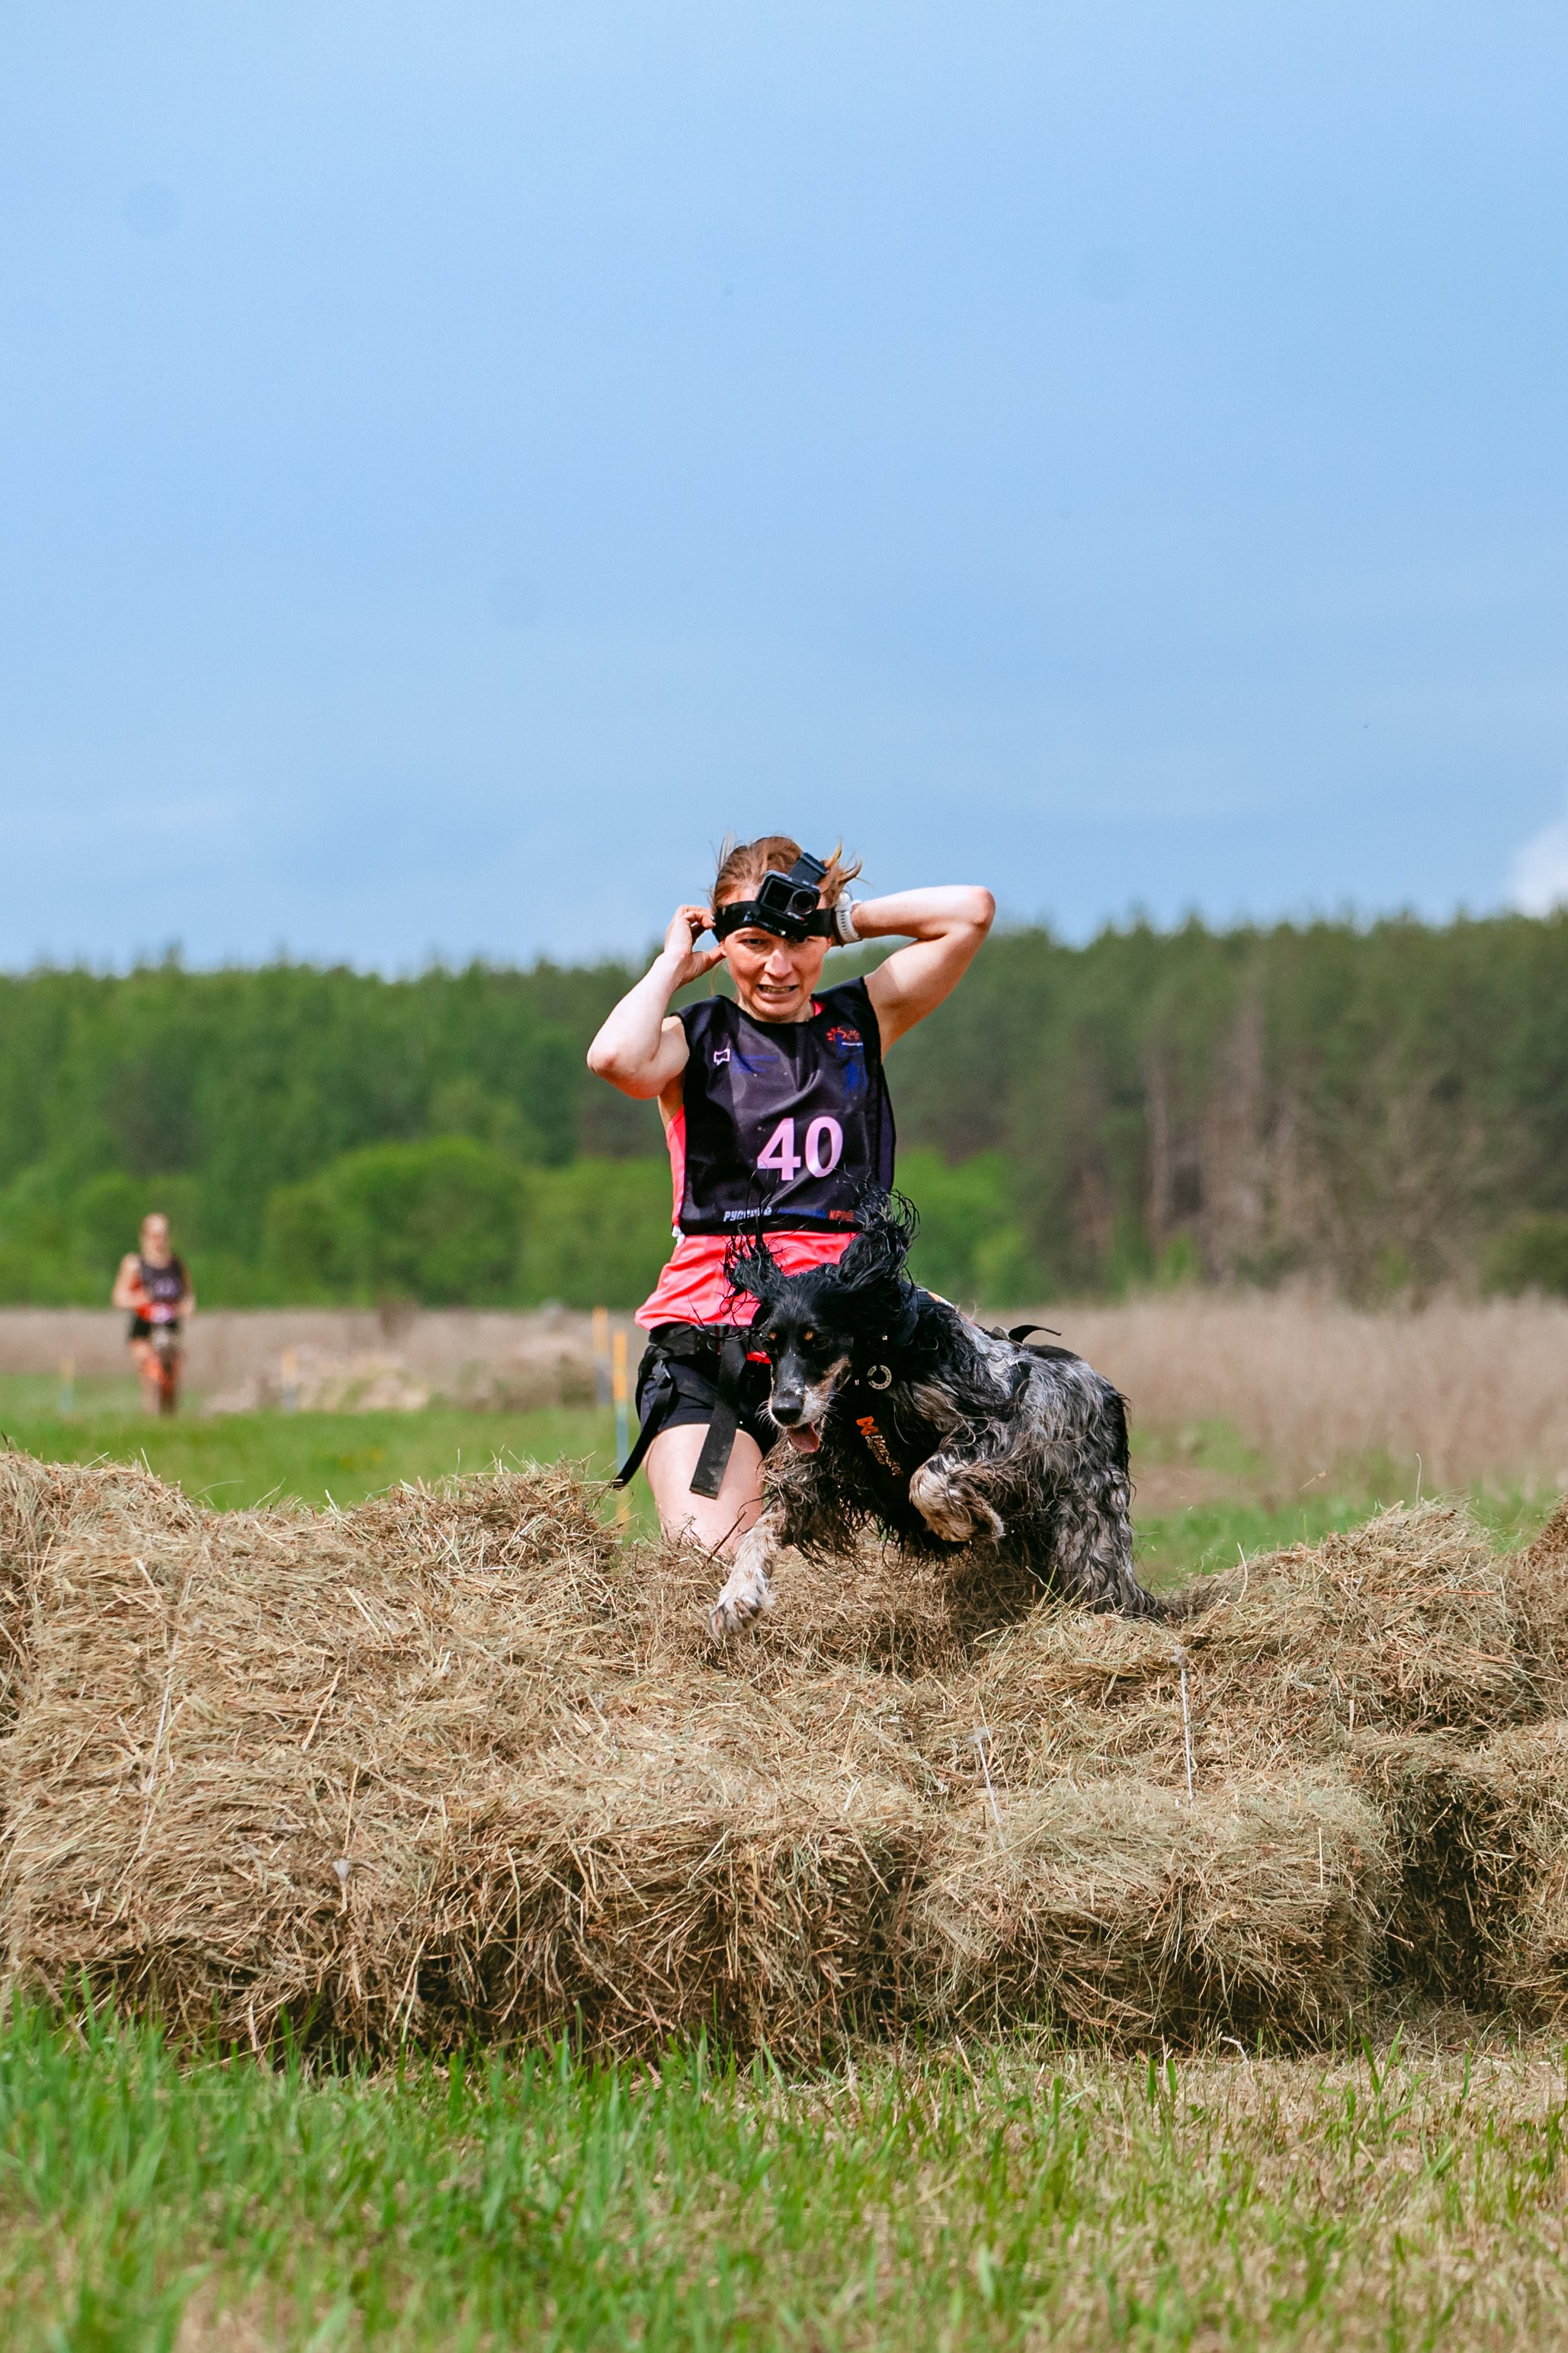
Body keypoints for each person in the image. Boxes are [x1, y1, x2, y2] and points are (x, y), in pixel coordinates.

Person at [586, 835, 994, 1555]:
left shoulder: (861, 1021)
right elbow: (615, 1059)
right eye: (753, 941)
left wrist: (838, 920)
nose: (778, 966)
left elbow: (969, 912)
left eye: (798, 941)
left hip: (850, 1346)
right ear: (721, 939)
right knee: (709, 1560)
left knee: (922, 1553)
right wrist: (670, 967)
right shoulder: (692, 1037)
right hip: (713, 1352)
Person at [111, 1212, 195, 1415]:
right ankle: (150, 1411)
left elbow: (189, 1295)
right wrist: (139, 1299)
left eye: (164, 1235)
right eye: (155, 1235)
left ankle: (168, 1417)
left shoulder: (176, 1264)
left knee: (170, 1380)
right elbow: (119, 1297)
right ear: (145, 1236)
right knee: (150, 1369)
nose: (160, 1240)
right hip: (144, 1328)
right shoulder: (134, 1264)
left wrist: (187, 1307)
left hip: (169, 1327)